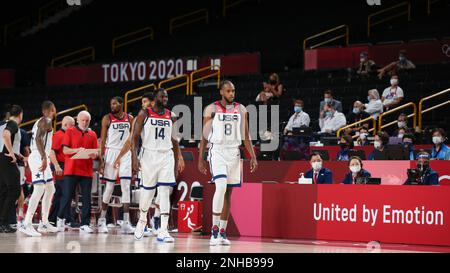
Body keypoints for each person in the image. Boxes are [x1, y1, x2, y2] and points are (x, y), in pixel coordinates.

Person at [198, 80, 258, 246]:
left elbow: (245, 134)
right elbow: (204, 136)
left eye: (233, 91)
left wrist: (252, 155)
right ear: (221, 92)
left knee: (228, 193)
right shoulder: (211, 109)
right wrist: (200, 158)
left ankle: (223, 232)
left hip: (234, 152)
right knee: (221, 186)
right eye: (228, 91)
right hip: (217, 151)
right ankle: (214, 231)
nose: (232, 93)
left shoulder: (241, 109)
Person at [132, 88, 184, 242]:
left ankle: (163, 230)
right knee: (147, 193)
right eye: (162, 96)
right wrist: (135, 158)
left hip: (166, 155)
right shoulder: (145, 114)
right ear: (155, 98)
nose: (165, 98)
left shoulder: (171, 116)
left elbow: (174, 140)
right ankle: (142, 220)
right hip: (149, 155)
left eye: (167, 96)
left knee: (164, 191)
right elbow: (135, 137)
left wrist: (176, 160)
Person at [21, 101, 62, 237]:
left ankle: (44, 223)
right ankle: (26, 223)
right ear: (52, 109)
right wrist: (44, 157)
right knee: (39, 189)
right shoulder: (47, 120)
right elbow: (38, 139)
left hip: (41, 155)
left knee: (51, 188)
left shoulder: (41, 120)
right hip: (38, 156)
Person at [57, 111, 99, 233]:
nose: (85, 122)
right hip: (71, 169)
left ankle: (84, 223)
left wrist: (94, 154)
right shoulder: (70, 131)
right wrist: (77, 150)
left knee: (86, 198)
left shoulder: (93, 134)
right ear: (77, 120)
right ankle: (60, 219)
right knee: (67, 195)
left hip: (86, 170)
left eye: (87, 121)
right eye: (82, 120)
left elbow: (96, 153)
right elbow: (65, 150)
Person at [97, 97, 134, 234]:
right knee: (110, 187)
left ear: (121, 104)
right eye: (111, 104)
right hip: (111, 152)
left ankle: (125, 221)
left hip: (125, 153)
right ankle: (102, 221)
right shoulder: (107, 118)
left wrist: (134, 159)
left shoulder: (130, 118)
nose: (112, 106)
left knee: (125, 186)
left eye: (115, 103)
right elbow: (102, 140)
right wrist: (101, 159)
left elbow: (132, 140)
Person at [0, 105, 23, 233]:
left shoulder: (3, 124)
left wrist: (20, 155)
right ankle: (3, 221)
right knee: (14, 190)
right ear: (20, 114)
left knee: (3, 191)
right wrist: (12, 154)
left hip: (1, 158)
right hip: (6, 158)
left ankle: (1, 222)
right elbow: (6, 135)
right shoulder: (13, 124)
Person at [49, 116, 75, 227]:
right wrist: (57, 166)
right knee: (65, 193)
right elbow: (52, 152)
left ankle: (53, 218)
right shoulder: (58, 135)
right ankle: (66, 219)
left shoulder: (67, 135)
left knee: (60, 193)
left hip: (66, 166)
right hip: (61, 167)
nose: (74, 127)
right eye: (72, 125)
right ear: (65, 125)